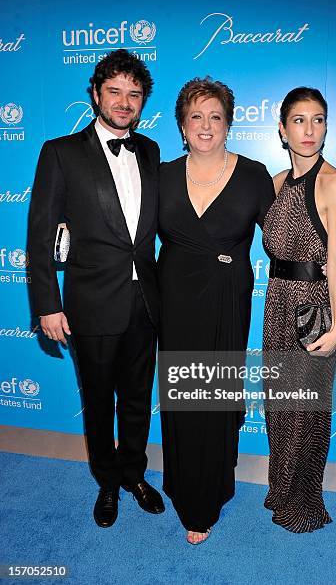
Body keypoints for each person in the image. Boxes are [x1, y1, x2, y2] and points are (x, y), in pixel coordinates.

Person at [28, 49, 164, 528]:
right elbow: (41, 235)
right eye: (115, 91)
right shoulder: (60, 153)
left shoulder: (150, 150)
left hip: (145, 303)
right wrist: (47, 304)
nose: (124, 102)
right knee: (99, 401)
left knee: (135, 398)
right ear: (95, 95)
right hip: (90, 303)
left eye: (134, 94)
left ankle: (134, 474)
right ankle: (106, 482)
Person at [157, 77, 275, 544]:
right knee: (184, 398)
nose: (206, 126)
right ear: (182, 126)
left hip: (227, 296)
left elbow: (285, 237)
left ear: (229, 123)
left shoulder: (253, 175)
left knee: (216, 397)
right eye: (196, 117)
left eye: (215, 116)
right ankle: (184, 485)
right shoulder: (162, 174)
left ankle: (207, 496)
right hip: (176, 297)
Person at [262, 87, 336, 532]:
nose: (309, 130)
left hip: (312, 304)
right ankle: (279, 488)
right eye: (299, 120)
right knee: (278, 405)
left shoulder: (334, 182)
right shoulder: (276, 183)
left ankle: (303, 502)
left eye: (318, 120)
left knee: (306, 410)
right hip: (276, 300)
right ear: (282, 128)